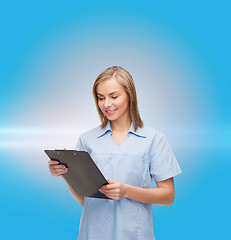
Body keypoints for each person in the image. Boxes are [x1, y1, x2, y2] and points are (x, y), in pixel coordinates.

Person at [48, 66, 182, 240]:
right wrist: (65, 174)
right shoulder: (87, 139)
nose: (106, 104)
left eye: (114, 96)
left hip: (135, 234)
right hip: (93, 233)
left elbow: (168, 196)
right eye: (101, 98)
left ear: (130, 96)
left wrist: (126, 191)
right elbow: (84, 199)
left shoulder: (154, 139)